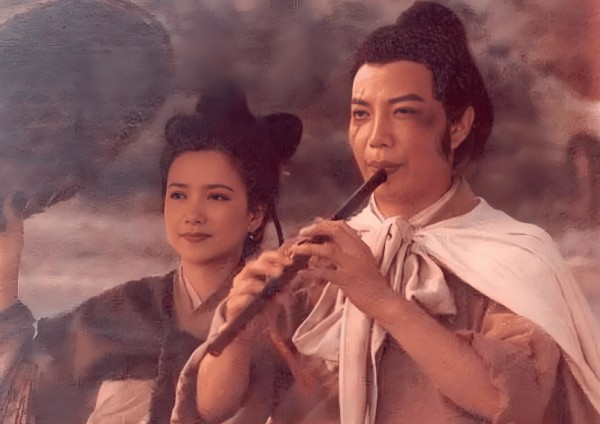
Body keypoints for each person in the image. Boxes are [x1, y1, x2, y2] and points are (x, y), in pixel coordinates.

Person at [172, 2, 600, 424]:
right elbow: (212, 408)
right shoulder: (318, 254)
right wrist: (238, 334)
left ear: (456, 125)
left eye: (404, 113)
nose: (376, 138)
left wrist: (379, 298)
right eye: (361, 114)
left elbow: (508, 401)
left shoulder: (514, 258)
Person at [0, 80, 302, 423]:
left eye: (216, 196)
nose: (193, 214)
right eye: (179, 195)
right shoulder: (121, 310)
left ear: (255, 214)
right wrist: (5, 275)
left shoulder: (287, 316)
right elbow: (22, 390)